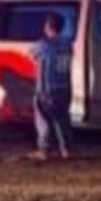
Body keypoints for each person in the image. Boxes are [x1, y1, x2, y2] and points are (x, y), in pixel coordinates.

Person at [32, 12, 73, 161]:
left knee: (43, 120)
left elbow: (32, 52)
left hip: (47, 88)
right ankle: (66, 149)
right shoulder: (68, 44)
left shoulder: (44, 45)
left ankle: (44, 151)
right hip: (65, 87)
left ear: (48, 26)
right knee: (62, 120)